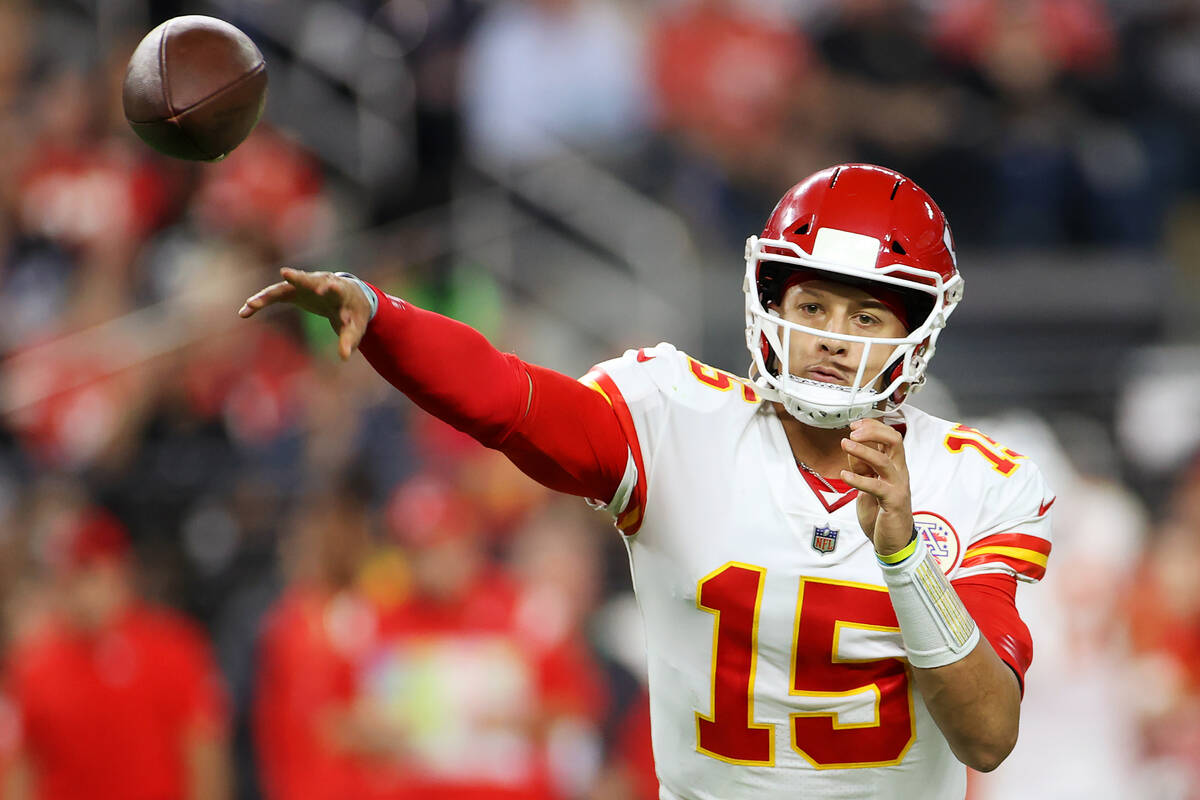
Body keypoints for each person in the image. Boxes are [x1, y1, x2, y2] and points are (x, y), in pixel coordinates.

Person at [238, 163, 1053, 799]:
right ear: (772, 303)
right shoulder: (674, 416)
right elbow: (511, 400)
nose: (834, 339)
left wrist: (906, 554)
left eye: (867, 317)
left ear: (915, 334)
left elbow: (987, 736)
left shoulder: (979, 482)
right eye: (813, 306)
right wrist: (386, 320)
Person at [0, 507, 231, 800]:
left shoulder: (173, 647)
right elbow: (21, 770)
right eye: (71, 575)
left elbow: (204, 756)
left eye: (90, 572)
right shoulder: (35, 664)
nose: (80, 588)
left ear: (121, 571)